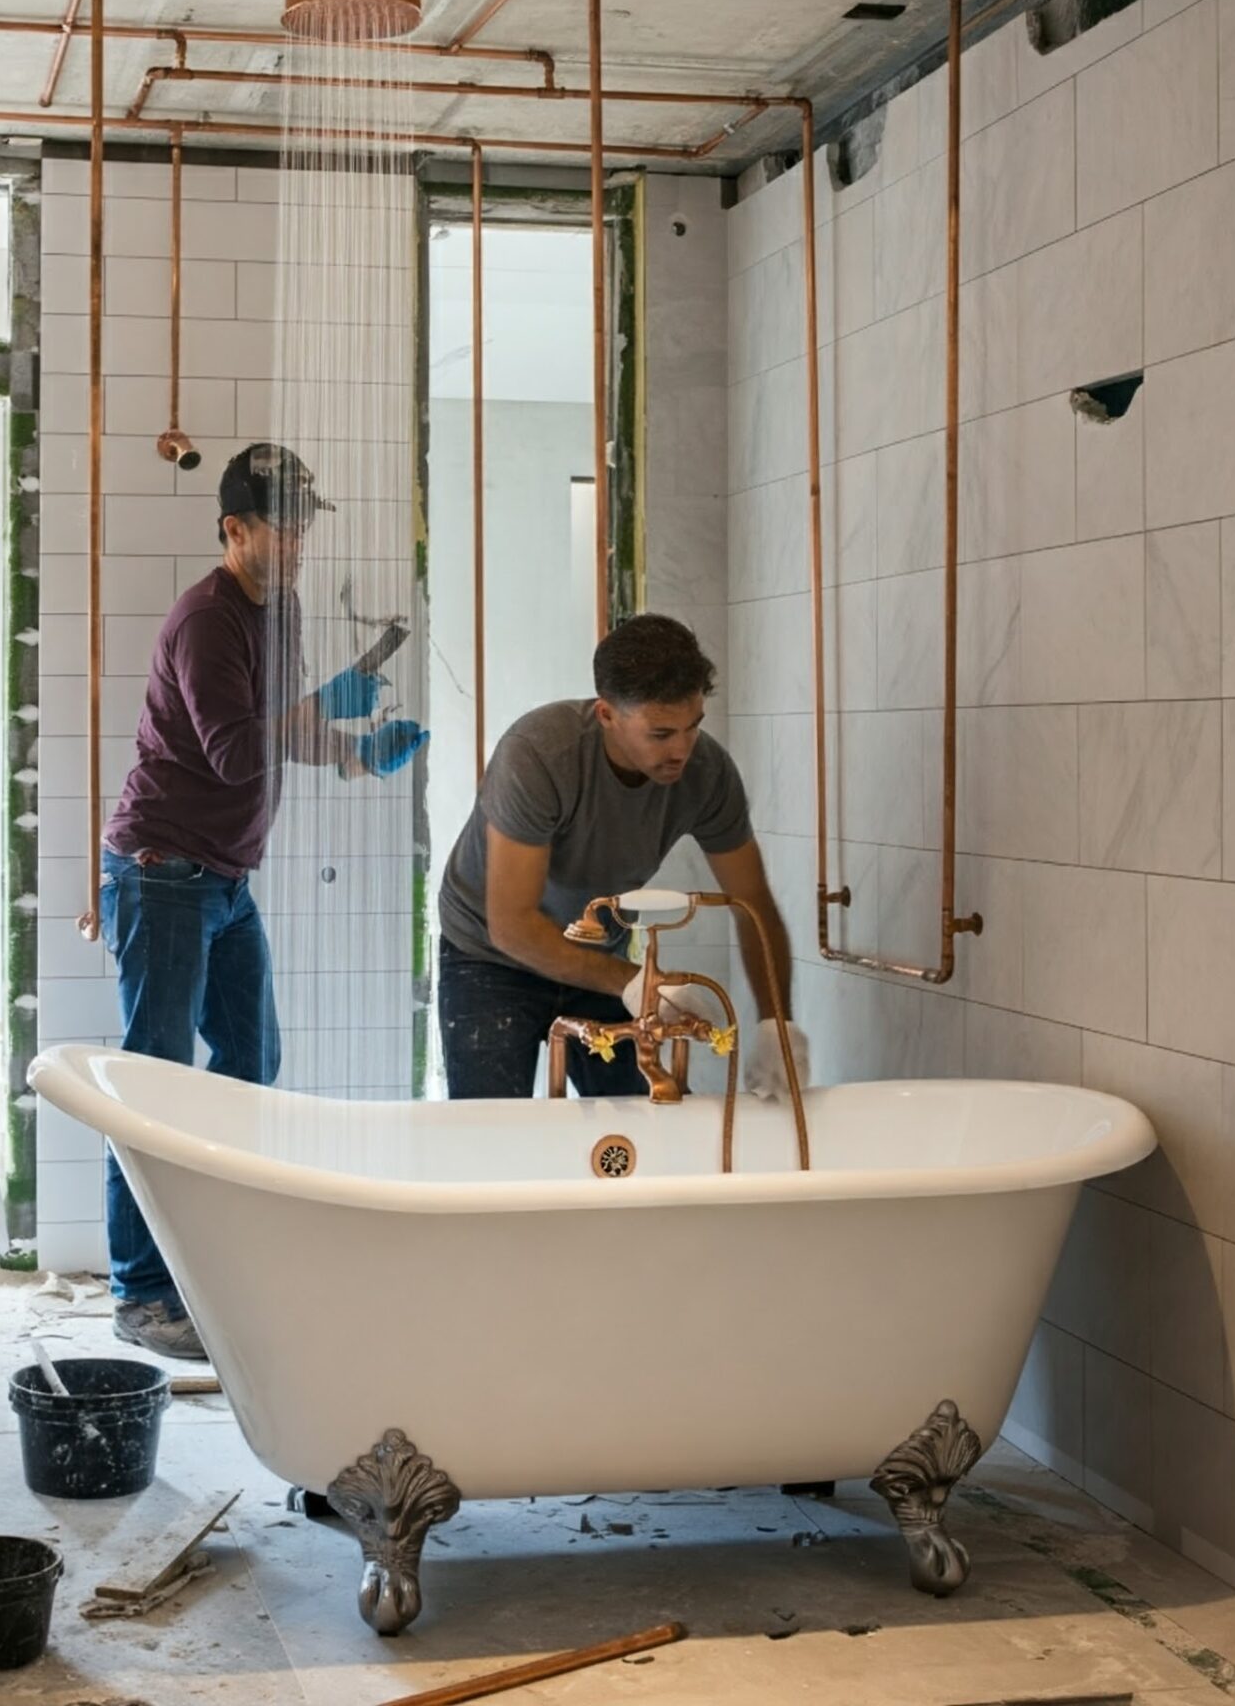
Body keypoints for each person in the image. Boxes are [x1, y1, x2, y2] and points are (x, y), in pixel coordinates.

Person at [99, 441, 425, 1362]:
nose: (295, 546)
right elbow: (238, 751)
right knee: (153, 1078)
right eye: (280, 529)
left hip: (221, 878)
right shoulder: (208, 620)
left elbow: (293, 733)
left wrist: (356, 751)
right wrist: (330, 701)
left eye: (303, 528)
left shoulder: (277, 607)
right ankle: (140, 1292)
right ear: (233, 528)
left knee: (251, 1055)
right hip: (163, 872)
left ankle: (215, 1256)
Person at [437, 613, 808, 1099]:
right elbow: (512, 925)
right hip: (488, 956)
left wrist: (775, 1023)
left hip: (593, 955)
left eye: (692, 726)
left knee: (656, 1118)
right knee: (490, 1136)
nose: (681, 749)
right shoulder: (539, 755)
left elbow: (752, 901)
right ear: (607, 714)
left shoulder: (708, 774)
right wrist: (639, 984)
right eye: (660, 734)